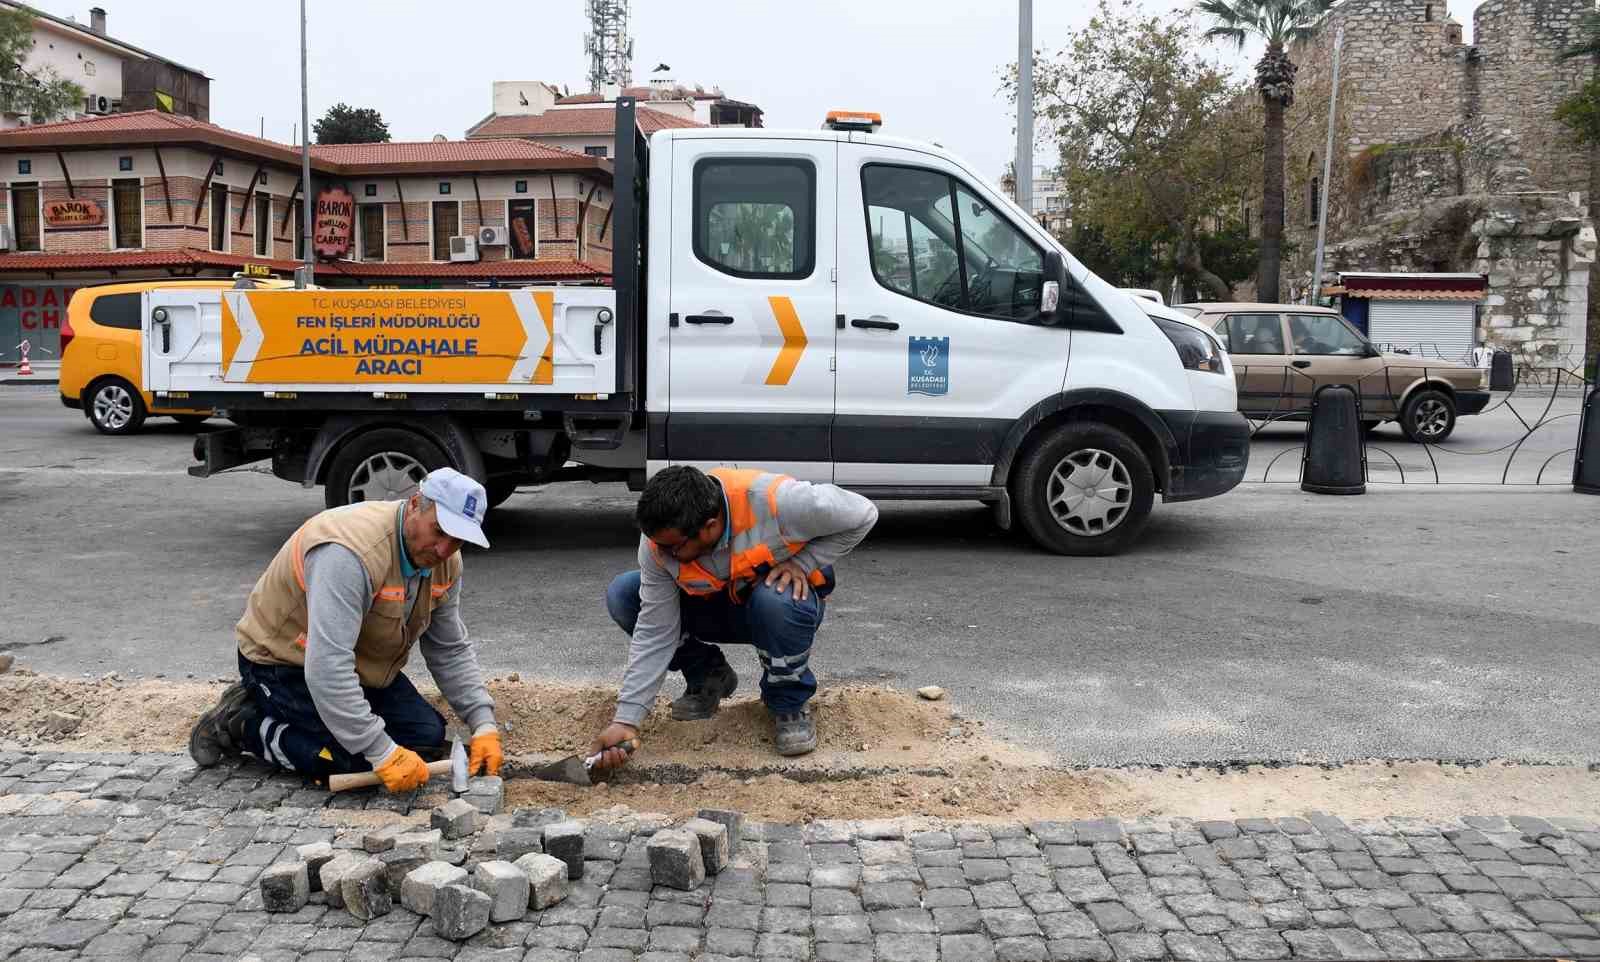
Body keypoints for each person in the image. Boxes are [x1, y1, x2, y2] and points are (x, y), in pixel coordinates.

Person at [187, 468, 503, 793]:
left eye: (458, 540)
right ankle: (244, 722)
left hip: (354, 665)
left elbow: (448, 649)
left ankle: (309, 725)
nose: (443, 550)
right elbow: (327, 668)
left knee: (425, 737)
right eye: (439, 531)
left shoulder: (446, 563)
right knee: (348, 761)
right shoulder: (348, 554)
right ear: (414, 505)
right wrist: (381, 752)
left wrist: (482, 723)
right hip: (282, 663)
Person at [588, 465, 879, 765]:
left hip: (778, 611)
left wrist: (803, 563)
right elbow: (654, 630)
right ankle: (708, 676)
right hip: (715, 606)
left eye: (671, 547)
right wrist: (627, 720)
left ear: (710, 526)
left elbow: (864, 513)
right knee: (624, 595)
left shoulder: (783, 502)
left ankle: (787, 702)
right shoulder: (658, 542)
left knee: (776, 599)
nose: (661, 553)